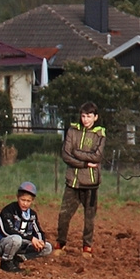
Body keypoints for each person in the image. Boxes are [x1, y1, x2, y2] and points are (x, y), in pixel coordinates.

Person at [58, 101, 106, 254]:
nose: (85, 119)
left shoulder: (100, 134)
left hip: (90, 184)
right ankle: (60, 243)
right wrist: (85, 163)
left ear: (95, 117)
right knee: (64, 214)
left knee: (89, 217)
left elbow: (97, 156)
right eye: (83, 116)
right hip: (72, 181)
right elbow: (66, 154)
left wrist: (76, 152)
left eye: (89, 116)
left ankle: (87, 246)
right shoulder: (72, 131)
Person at [0, 181, 53, 272]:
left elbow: (38, 231)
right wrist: (30, 238)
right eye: (23, 200)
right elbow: (7, 231)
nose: (25, 204)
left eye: (28, 201)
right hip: (2, 244)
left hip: (21, 244)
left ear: (32, 201)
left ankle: (19, 258)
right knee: (16, 239)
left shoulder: (32, 214)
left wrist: (40, 240)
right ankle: (6, 261)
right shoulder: (8, 210)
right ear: (18, 198)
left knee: (47, 247)